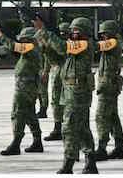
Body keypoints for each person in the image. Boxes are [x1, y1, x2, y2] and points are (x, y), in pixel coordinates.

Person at [33, 15, 97, 174]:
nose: (73, 33)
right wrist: (45, 46)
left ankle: (69, 162)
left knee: (68, 128)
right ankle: (90, 160)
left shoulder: (85, 44)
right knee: (81, 128)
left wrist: (45, 31)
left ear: (85, 32)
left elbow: (62, 48)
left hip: (78, 93)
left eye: (77, 30)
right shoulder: (73, 45)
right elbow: (57, 57)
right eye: (72, 30)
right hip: (68, 93)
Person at [0, 24, 44, 155]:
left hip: (25, 87)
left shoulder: (32, 48)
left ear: (31, 40)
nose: (21, 42)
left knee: (17, 114)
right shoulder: (30, 50)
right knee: (29, 114)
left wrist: (0, 35)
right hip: (28, 86)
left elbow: (14, 46)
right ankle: (37, 141)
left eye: (24, 40)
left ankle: (16, 143)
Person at [92, 20, 123, 161]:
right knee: (113, 117)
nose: (103, 37)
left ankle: (102, 148)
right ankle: (119, 147)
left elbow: (96, 46)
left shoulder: (113, 43)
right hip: (108, 85)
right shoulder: (110, 44)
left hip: (107, 87)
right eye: (102, 34)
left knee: (101, 117)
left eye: (105, 34)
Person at [43, 19, 71, 144]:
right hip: (56, 72)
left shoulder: (68, 44)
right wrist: (46, 71)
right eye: (61, 33)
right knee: (55, 100)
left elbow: (62, 52)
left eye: (65, 33)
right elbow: (48, 57)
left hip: (66, 72)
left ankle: (66, 127)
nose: (63, 36)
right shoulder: (55, 42)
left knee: (66, 101)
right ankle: (57, 127)